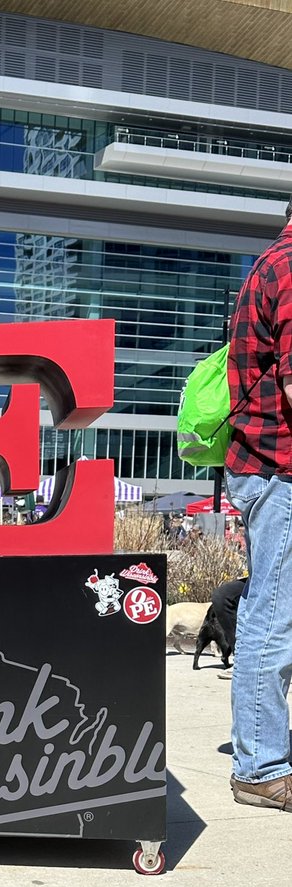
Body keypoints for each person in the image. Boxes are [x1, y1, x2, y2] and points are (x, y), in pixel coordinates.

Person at [224, 195, 292, 811]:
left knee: (270, 613)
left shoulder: (271, 261)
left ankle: (262, 754)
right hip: (282, 471)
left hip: (264, 469)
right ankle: (263, 765)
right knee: (274, 618)